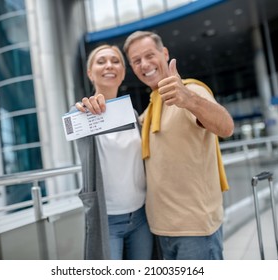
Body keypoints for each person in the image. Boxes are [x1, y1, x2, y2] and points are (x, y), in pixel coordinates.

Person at [82, 31, 234, 260]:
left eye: (149, 55)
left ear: (164, 54)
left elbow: (226, 127)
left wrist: (189, 100)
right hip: (159, 229)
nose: (144, 64)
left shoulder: (190, 91)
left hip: (195, 230)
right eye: (136, 61)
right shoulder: (144, 114)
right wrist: (84, 111)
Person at [74, 44, 153, 260]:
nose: (109, 65)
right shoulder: (82, 113)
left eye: (115, 61)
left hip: (141, 217)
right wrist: (85, 108)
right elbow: (74, 126)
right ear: (90, 73)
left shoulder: (132, 114)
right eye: (101, 61)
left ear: (123, 72)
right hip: (106, 220)